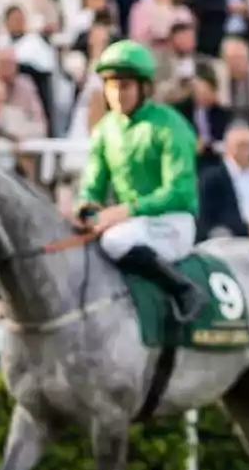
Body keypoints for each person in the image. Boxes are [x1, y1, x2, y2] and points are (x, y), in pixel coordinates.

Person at [79, 40, 201, 319]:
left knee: (113, 242)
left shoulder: (171, 125)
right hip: (130, 224)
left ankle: (184, 290)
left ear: (144, 88)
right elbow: (92, 184)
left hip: (172, 223)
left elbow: (180, 192)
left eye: (125, 86)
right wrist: (85, 207)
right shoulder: (105, 130)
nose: (117, 94)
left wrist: (125, 210)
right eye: (111, 86)